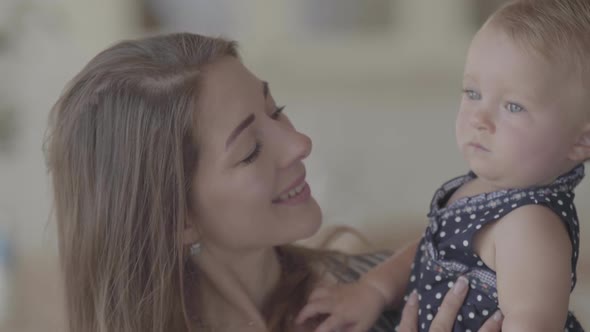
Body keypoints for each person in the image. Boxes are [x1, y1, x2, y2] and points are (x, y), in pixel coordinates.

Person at [44, 32, 503, 332]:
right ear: (179, 218)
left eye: (275, 110)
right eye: (251, 151)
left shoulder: (388, 295)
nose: (299, 143)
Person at [296, 0, 590, 331]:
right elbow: (430, 251)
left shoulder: (531, 225)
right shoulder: (484, 188)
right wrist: (373, 289)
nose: (479, 118)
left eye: (513, 106)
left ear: (581, 141)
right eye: (473, 92)